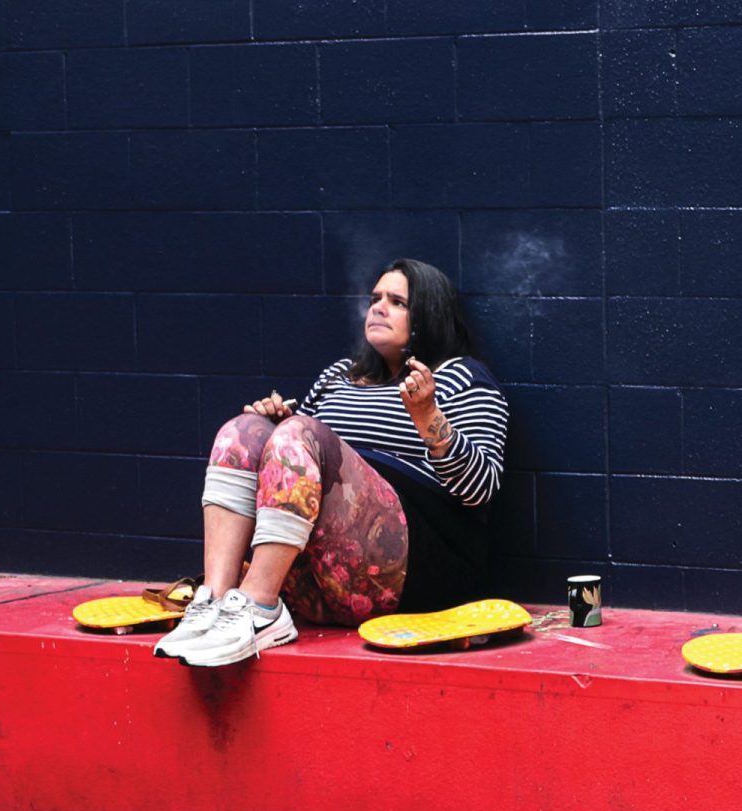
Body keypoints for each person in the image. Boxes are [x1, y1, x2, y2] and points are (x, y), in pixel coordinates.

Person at [155, 258, 510, 667]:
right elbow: (301, 450)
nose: (378, 307)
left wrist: (428, 415)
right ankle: (217, 602)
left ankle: (258, 606)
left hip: (412, 575)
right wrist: (274, 429)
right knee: (244, 430)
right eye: (375, 298)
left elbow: (480, 491)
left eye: (397, 301)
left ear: (429, 315)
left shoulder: (462, 377)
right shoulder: (338, 375)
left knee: (297, 433)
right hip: (320, 582)